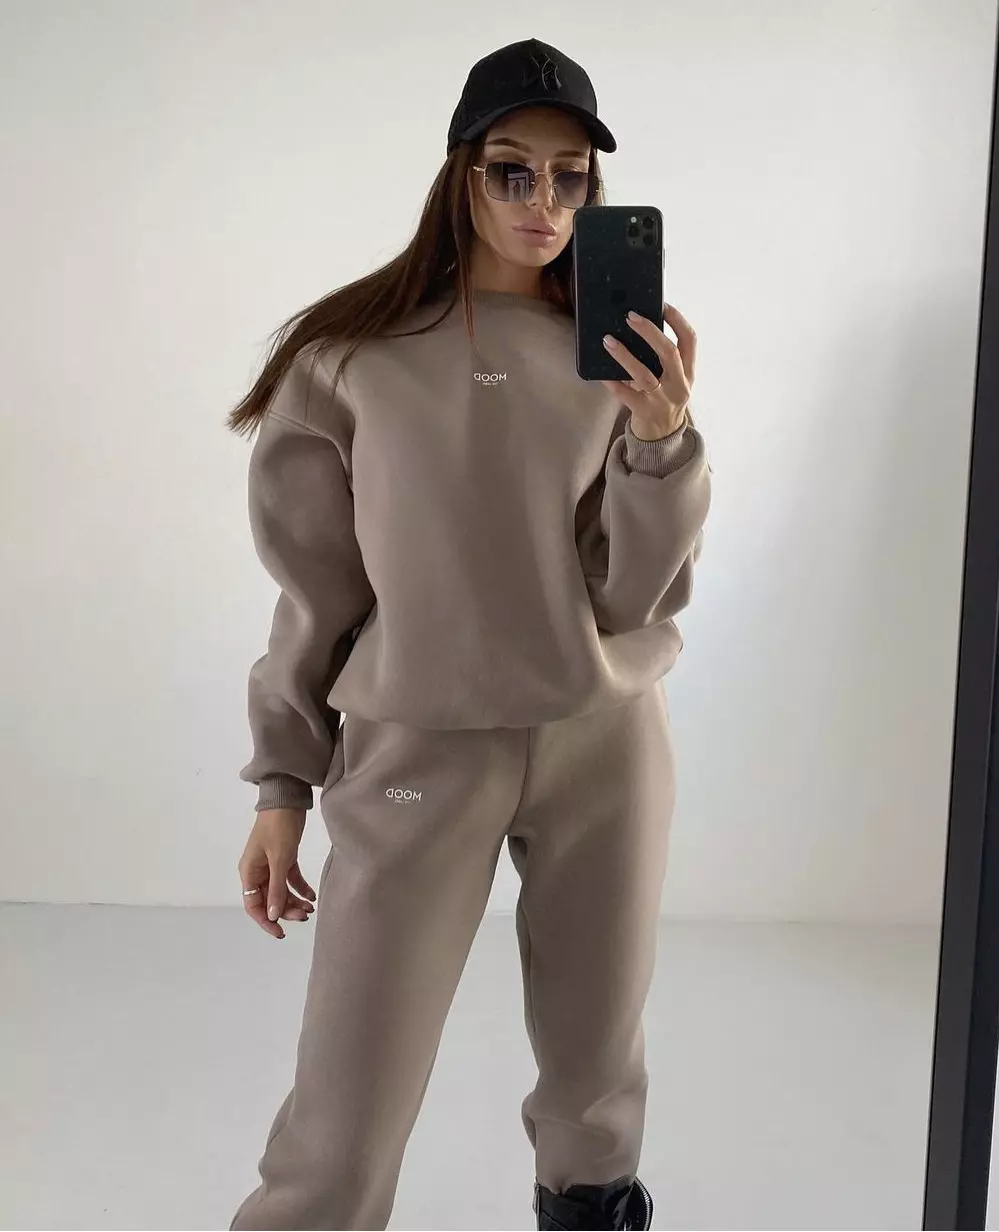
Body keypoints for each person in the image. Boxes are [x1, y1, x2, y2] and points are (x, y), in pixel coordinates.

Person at [226, 37, 711, 1232]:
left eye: (569, 176)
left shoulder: (615, 363)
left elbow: (640, 598)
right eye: (512, 170)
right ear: (462, 175)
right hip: (419, 747)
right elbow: (315, 594)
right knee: (348, 1099)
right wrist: (282, 783)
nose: (544, 200)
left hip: (603, 737)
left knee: (599, 1072)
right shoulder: (350, 362)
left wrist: (662, 441)